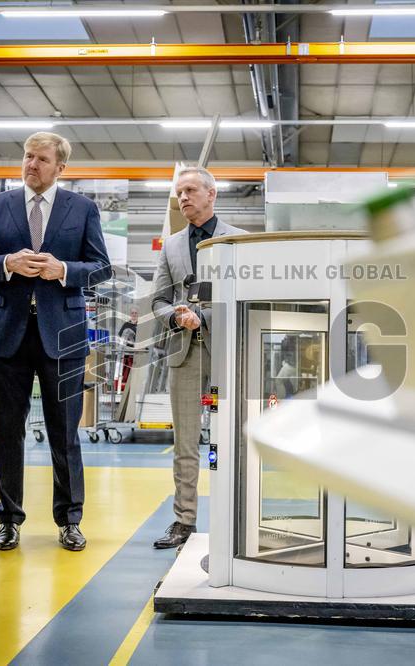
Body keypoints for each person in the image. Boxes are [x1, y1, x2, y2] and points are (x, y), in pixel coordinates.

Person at [0, 132, 110, 552]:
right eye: (28, 157)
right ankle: (9, 519)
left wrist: (63, 270)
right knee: (7, 433)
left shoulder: (82, 209)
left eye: (42, 159)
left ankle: (69, 519)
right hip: (8, 335)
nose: (32, 164)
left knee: (65, 433)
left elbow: (101, 268)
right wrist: (7, 263)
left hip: (62, 338)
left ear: (60, 167)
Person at [150, 166, 246, 549]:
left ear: (212, 194)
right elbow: (157, 300)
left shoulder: (239, 242)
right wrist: (174, 314)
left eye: (191, 190)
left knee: (234, 440)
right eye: (179, 192)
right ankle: (183, 521)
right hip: (184, 355)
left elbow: (246, 299)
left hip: (228, 353)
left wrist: (203, 316)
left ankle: (234, 518)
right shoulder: (172, 246)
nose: (184, 198)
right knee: (186, 444)